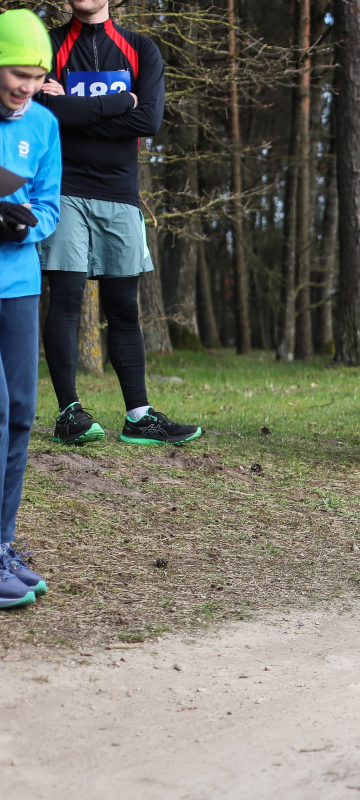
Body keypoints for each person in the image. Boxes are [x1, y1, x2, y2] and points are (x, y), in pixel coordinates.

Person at [34, 0, 200, 446]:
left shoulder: (141, 49)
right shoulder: (48, 46)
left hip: (122, 196)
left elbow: (149, 118)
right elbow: (43, 115)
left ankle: (139, 417)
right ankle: (69, 413)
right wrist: (118, 104)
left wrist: (72, 109)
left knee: (124, 308)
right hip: (63, 188)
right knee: (65, 299)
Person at [0, 9, 60, 607]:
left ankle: (2, 543)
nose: (27, 86)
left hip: (19, 283)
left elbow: (49, 204)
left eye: (36, 77)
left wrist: (22, 227)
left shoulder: (43, 123)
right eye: (18, 73)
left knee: (20, 413)